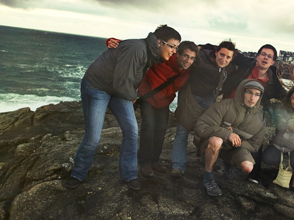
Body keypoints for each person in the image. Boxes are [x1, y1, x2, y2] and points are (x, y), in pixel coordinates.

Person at [66, 25, 181, 191]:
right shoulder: (137, 49)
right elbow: (121, 81)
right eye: (172, 46)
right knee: (93, 137)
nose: (174, 51)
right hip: (98, 87)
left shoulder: (152, 54)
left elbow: (125, 79)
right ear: (159, 42)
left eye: (176, 47)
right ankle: (78, 173)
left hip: (119, 90)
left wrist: (131, 95)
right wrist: (133, 97)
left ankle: (129, 174)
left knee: (132, 131)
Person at [171, 41, 236, 178]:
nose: (224, 59)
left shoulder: (228, 68)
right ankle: (178, 166)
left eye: (228, 57)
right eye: (221, 55)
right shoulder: (201, 58)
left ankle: (204, 158)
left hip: (209, 98)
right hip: (189, 96)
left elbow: (247, 63)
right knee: (182, 131)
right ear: (216, 52)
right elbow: (183, 56)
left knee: (207, 130)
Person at [194, 79, 266, 196]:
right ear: (242, 92)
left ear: (260, 97)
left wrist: (236, 139)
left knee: (248, 167)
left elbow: (255, 146)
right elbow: (200, 127)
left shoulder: (259, 120)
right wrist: (226, 134)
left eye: (257, 94)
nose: (252, 98)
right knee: (216, 141)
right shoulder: (224, 105)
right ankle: (208, 177)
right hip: (212, 143)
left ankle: (228, 164)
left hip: (235, 149)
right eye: (249, 92)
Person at [137, 41, 199, 176]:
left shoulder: (187, 70)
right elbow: (141, 48)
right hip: (147, 98)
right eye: (186, 56)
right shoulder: (163, 58)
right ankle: (144, 163)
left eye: (192, 58)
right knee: (148, 127)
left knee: (160, 130)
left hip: (163, 102)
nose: (188, 61)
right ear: (178, 54)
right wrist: (113, 42)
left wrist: (206, 47)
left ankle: (154, 160)